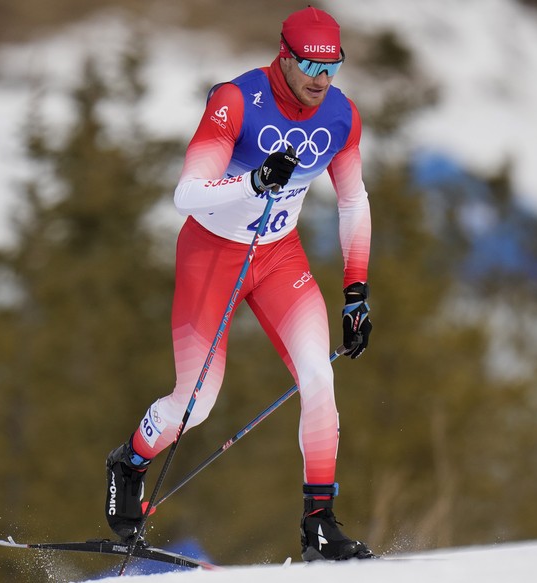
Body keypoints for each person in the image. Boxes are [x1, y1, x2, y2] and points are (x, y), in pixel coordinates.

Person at [105, 6, 374, 561]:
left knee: (319, 379)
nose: (320, 81)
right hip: (212, 254)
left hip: (279, 256)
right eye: (309, 66)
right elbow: (188, 193)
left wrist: (356, 293)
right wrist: (251, 180)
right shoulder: (235, 100)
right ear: (284, 54)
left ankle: (319, 523)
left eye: (332, 68)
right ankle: (130, 460)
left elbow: (353, 201)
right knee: (196, 404)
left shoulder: (342, 116)